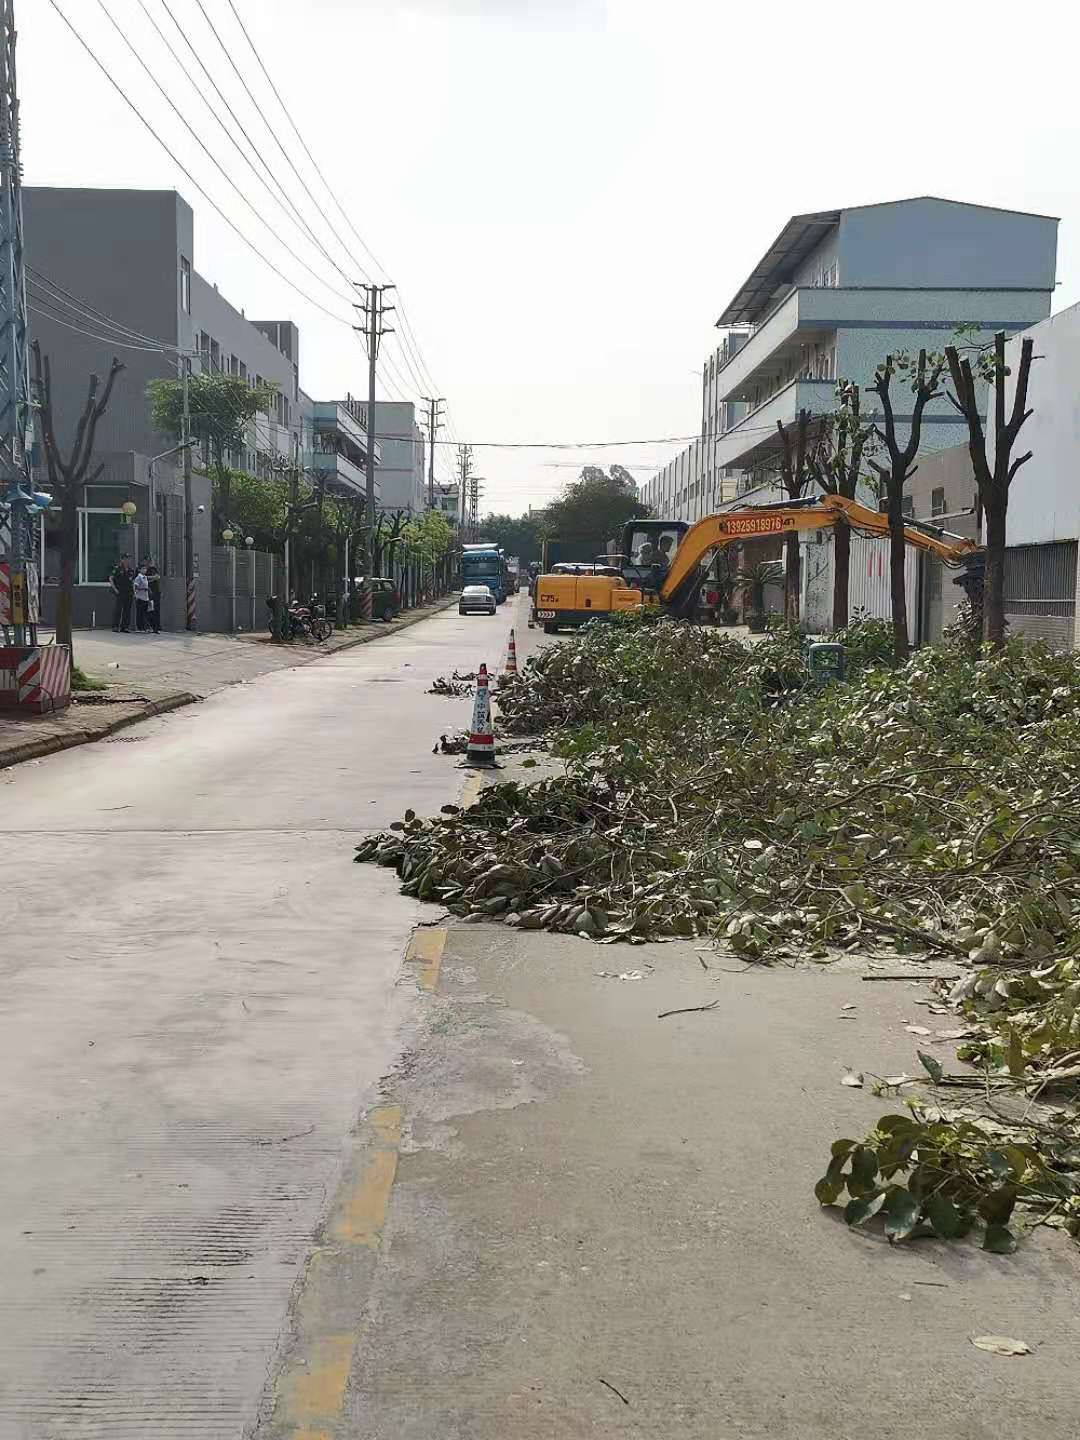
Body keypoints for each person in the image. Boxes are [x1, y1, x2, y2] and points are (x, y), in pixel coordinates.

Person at [110, 555, 134, 633]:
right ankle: (116, 626)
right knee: (119, 609)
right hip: (120, 592)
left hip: (129, 592)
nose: (128, 560)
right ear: (122, 560)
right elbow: (111, 578)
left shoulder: (131, 570)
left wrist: (134, 592)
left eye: (129, 559)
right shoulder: (117, 569)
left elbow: (132, 582)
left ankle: (125, 627)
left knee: (127, 610)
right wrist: (115, 589)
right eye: (126, 559)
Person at [133, 564, 151, 633]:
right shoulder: (139, 577)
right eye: (143, 568)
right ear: (139, 570)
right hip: (140, 597)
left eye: (145, 568)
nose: (145, 570)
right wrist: (137, 592)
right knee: (140, 613)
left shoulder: (145, 577)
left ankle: (144, 627)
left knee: (145, 613)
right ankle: (140, 627)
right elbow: (135, 586)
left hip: (145, 597)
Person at [145, 563, 162, 633]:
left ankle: (157, 626)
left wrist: (150, 578)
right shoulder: (142, 570)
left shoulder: (153, 569)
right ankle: (150, 626)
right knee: (149, 610)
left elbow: (158, 577)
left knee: (156, 610)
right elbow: (143, 579)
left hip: (156, 593)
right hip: (148, 593)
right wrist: (152, 578)